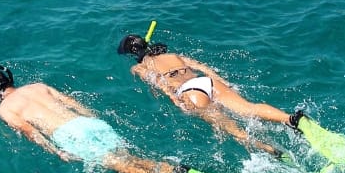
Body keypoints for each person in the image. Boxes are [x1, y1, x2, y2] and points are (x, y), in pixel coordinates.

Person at [0, 65, 221, 173]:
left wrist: (56, 151)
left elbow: (30, 132)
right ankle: (177, 171)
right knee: (129, 160)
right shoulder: (36, 85)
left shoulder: (5, 109)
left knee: (124, 168)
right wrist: (94, 120)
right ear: (9, 79)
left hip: (71, 136)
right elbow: (73, 103)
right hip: (87, 123)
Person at [116, 34, 304, 157]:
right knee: (249, 108)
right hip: (208, 82)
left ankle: (271, 150)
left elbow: (159, 82)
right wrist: (222, 80)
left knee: (235, 132)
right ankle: (291, 119)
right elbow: (202, 68)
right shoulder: (174, 55)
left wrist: (174, 98)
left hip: (190, 92)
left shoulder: (139, 67)